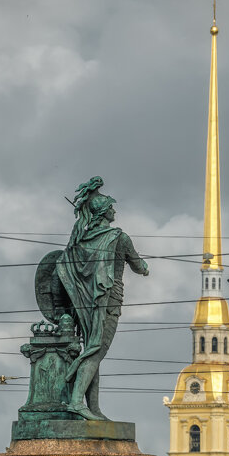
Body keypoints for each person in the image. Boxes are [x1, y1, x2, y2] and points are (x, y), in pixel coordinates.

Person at [56, 179, 149, 420]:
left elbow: (63, 265)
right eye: (111, 207)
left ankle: (92, 408)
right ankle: (77, 402)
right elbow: (139, 266)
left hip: (86, 303)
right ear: (103, 212)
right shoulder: (119, 237)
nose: (114, 210)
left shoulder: (81, 241)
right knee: (96, 351)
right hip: (109, 299)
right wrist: (145, 267)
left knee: (93, 350)